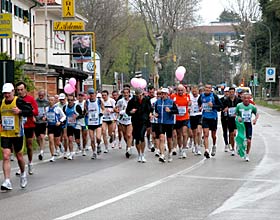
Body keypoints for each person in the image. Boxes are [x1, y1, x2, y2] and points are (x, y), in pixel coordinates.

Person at [0, 83, 33, 190]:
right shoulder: (1, 103)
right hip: (5, 133)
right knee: (6, 156)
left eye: (8, 93)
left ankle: (23, 174)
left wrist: (20, 111)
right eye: (5, 93)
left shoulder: (18, 101)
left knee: (19, 156)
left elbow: (30, 110)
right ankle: (7, 181)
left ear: (13, 92)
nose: (6, 95)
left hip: (17, 133)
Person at [16, 81, 38, 175]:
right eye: (18, 90)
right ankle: (20, 166)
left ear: (25, 89)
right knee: (19, 147)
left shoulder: (30, 99)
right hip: (18, 125)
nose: (20, 91)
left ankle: (30, 163)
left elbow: (36, 112)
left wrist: (28, 111)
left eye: (21, 89)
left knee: (29, 145)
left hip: (29, 125)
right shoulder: (15, 100)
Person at [126, 88, 152, 162]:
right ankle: (139, 154)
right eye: (138, 95)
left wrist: (150, 114)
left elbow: (150, 109)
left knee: (141, 136)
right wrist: (131, 111)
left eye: (140, 95)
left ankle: (143, 154)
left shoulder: (146, 99)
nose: (139, 97)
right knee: (137, 138)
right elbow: (127, 111)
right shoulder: (132, 101)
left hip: (144, 120)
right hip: (136, 121)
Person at [198, 84, 222, 159]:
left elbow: (220, 106)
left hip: (213, 117)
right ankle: (207, 150)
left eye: (209, 88)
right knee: (206, 134)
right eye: (206, 88)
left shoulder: (214, 96)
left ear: (211, 89)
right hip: (205, 117)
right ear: (204, 89)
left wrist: (213, 106)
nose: (207, 89)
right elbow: (199, 102)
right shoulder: (202, 96)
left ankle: (214, 145)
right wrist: (200, 107)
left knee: (213, 136)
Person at [155, 88, 178, 163]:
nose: (163, 95)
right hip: (160, 122)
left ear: (167, 94)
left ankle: (170, 152)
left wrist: (170, 111)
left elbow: (176, 111)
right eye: (162, 94)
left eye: (164, 94)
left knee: (169, 140)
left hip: (169, 123)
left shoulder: (171, 102)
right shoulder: (157, 102)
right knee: (161, 138)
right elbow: (156, 111)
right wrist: (156, 115)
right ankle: (162, 155)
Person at [235, 93, 259, 162]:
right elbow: (236, 114)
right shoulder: (239, 106)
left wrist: (255, 120)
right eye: (244, 98)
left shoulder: (252, 107)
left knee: (248, 141)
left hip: (248, 124)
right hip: (241, 124)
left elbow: (256, 113)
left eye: (247, 98)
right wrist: (238, 117)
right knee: (242, 138)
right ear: (242, 99)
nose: (246, 100)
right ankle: (239, 146)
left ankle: (247, 154)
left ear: (249, 99)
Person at [44, 96, 66, 162]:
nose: (50, 101)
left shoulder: (58, 109)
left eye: (52, 100)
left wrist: (60, 122)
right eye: (49, 100)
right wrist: (45, 118)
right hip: (50, 126)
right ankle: (52, 156)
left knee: (57, 141)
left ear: (54, 101)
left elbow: (64, 116)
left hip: (56, 126)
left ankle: (60, 145)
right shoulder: (47, 109)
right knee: (51, 140)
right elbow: (46, 116)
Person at [84, 88, 104, 159]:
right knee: (92, 139)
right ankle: (94, 152)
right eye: (90, 94)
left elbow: (103, 109)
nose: (91, 95)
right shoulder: (86, 102)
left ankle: (98, 145)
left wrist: (101, 113)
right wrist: (86, 112)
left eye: (92, 93)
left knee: (98, 138)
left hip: (98, 122)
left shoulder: (99, 101)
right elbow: (85, 111)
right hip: (90, 123)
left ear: (95, 94)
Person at [172, 84, 191, 159]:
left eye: (181, 90)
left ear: (184, 90)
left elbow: (189, 104)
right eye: (178, 90)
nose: (180, 92)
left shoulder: (187, 96)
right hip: (177, 118)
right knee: (179, 135)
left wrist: (189, 104)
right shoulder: (173, 97)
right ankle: (180, 148)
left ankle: (184, 149)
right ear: (176, 91)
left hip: (185, 117)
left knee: (184, 133)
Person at [63, 94, 83, 160]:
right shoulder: (65, 107)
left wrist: (77, 116)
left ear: (74, 100)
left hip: (76, 125)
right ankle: (71, 153)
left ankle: (79, 145)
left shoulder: (77, 107)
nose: (70, 101)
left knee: (77, 140)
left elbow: (82, 115)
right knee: (70, 139)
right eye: (68, 100)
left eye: (71, 100)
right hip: (69, 125)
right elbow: (63, 116)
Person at [224, 87, 242, 156]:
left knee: (235, 133)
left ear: (234, 92)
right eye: (230, 92)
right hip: (229, 119)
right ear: (228, 93)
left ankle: (237, 145)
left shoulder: (238, 100)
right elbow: (223, 108)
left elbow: (242, 107)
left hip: (237, 119)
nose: (231, 93)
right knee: (231, 134)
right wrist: (225, 109)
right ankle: (233, 148)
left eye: (232, 92)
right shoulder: (226, 100)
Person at [115, 88, 133, 158]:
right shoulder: (120, 101)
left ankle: (128, 149)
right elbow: (115, 108)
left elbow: (135, 108)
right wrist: (118, 111)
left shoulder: (132, 100)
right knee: (125, 136)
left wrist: (132, 111)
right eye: (124, 93)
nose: (125, 94)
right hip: (122, 120)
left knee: (129, 135)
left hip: (130, 120)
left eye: (127, 93)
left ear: (129, 93)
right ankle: (128, 145)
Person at [35, 90, 49, 160]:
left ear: (44, 95)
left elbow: (48, 111)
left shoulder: (46, 102)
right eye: (39, 95)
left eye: (42, 95)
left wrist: (46, 117)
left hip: (43, 122)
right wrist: (33, 117)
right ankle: (41, 148)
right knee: (37, 138)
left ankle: (41, 151)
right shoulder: (35, 101)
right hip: (36, 122)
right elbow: (32, 110)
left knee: (42, 136)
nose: (40, 97)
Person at [189, 86, 202, 155]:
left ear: (198, 91)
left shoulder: (201, 97)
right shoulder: (189, 97)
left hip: (199, 114)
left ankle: (199, 147)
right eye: (193, 91)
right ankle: (195, 145)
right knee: (194, 133)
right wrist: (188, 105)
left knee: (199, 132)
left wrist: (202, 106)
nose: (194, 93)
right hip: (192, 115)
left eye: (195, 91)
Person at [75, 92, 88, 156]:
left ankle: (84, 148)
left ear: (83, 97)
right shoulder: (75, 103)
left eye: (81, 96)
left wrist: (84, 113)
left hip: (85, 122)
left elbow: (86, 112)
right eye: (79, 95)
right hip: (77, 122)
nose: (80, 97)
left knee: (84, 136)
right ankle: (79, 146)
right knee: (77, 137)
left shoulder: (85, 103)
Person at [220, 87, 230, 152]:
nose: (226, 93)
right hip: (224, 117)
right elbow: (219, 107)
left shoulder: (233, 99)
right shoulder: (221, 99)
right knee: (225, 131)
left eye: (228, 92)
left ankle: (231, 143)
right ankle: (226, 144)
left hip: (231, 117)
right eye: (225, 92)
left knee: (232, 132)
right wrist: (222, 109)